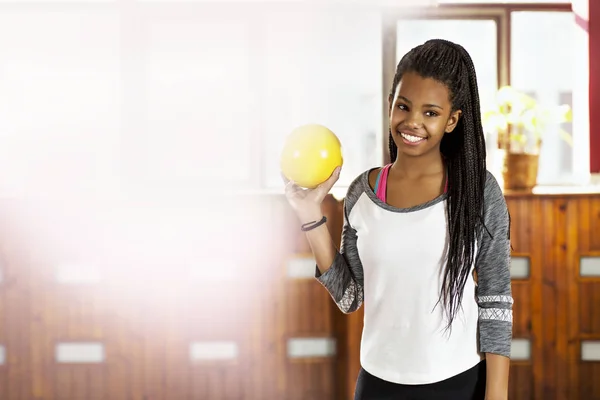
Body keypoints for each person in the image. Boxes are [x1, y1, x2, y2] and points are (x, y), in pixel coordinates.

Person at [283, 39, 513, 400]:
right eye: (403, 106)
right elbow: (349, 297)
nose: (412, 122)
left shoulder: (479, 192)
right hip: (377, 384)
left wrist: (496, 395)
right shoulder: (363, 193)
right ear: (390, 104)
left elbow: (495, 299)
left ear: (452, 120)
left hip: (459, 383)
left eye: (431, 113)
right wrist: (310, 215)